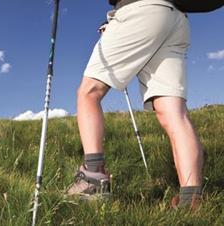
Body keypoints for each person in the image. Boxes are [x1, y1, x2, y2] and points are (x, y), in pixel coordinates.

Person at [67, 0, 204, 209]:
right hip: (176, 18)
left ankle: (92, 180)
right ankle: (191, 200)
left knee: (88, 92)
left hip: (141, 10)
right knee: (174, 113)